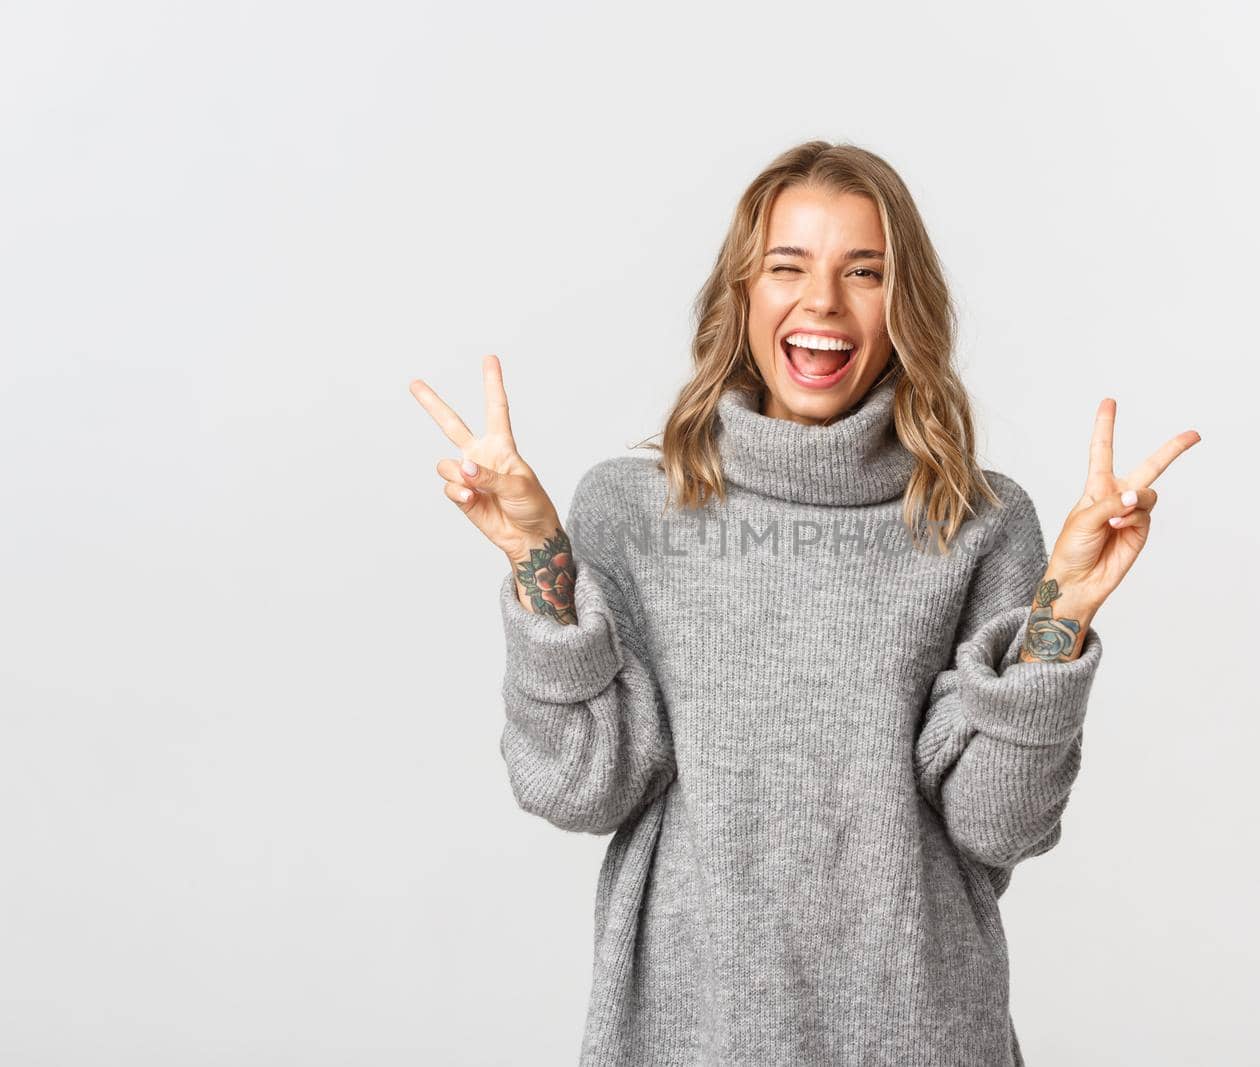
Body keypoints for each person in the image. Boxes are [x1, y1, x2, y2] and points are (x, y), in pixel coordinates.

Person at [410, 141, 1199, 1066]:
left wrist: (1059, 616)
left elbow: (999, 823)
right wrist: (540, 560)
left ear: (903, 308)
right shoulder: (630, 511)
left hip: (922, 1036)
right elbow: (580, 786)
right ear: (741, 295)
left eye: (864, 272)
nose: (822, 300)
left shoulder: (978, 523)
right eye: (788, 266)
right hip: (687, 1037)